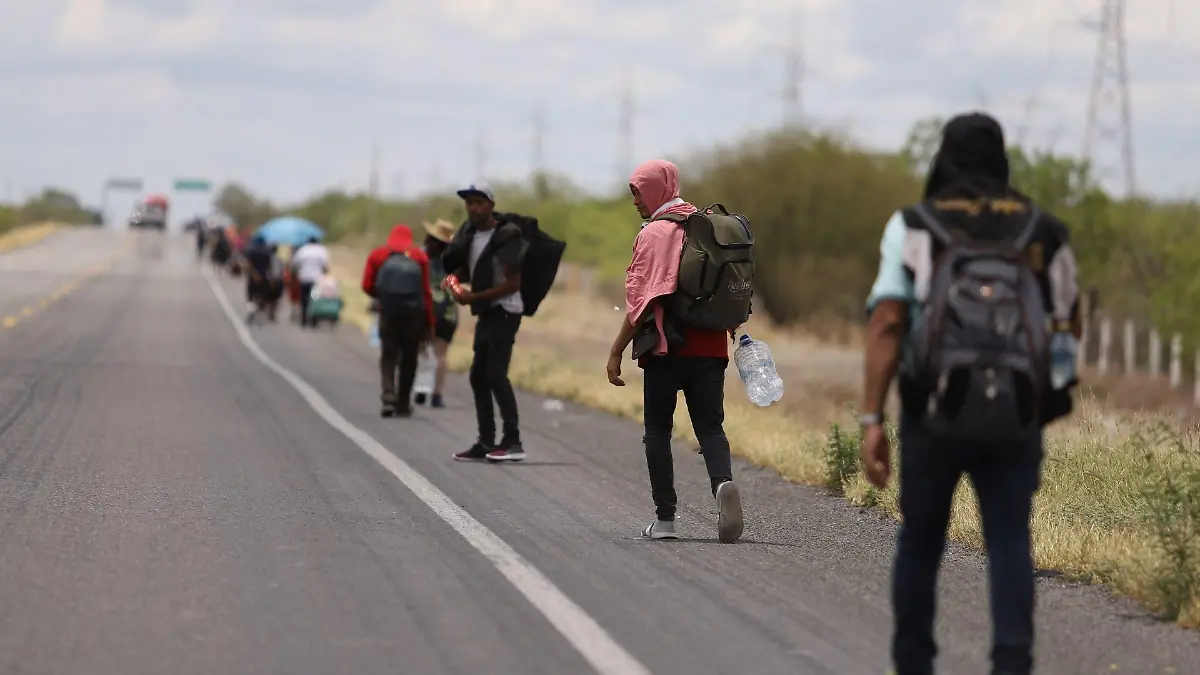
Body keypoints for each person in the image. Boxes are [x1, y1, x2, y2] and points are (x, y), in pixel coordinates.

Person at [859, 112, 1080, 675]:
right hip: (1015, 416)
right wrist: (1046, 402)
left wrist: (871, 418)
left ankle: (914, 664)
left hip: (931, 412)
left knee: (921, 541)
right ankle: (1011, 663)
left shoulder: (915, 224)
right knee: (1009, 541)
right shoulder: (1043, 230)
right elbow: (1067, 324)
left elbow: (888, 321)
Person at [605, 158, 744, 544]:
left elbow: (641, 304)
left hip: (666, 350)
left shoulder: (654, 234)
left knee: (657, 432)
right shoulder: (707, 226)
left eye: (637, 192)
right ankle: (722, 486)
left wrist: (616, 351)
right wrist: (736, 331)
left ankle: (665, 521)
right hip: (711, 348)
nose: (634, 201)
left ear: (655, 188)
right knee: (711, 428)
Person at [442, 181, 527, 462]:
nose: (474, 208)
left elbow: (513, 282)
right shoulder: (469, 235)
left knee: (495, 373)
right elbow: (475, 270)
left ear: (491, 204)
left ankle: (513, 441)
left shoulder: (506, 235)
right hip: (488, 310)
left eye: (479, 202)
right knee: (478, 375)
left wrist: (474, 296)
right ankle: (487, 441)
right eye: (469, 203)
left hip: (506, 309)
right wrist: (455, 282)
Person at [362, 224, 435, 418]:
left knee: (388, 355)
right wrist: (429, 322)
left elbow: (366, 284)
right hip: (414, 317)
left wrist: (382, 297)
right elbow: (426, 292)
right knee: (409, 358)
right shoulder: (419, 257)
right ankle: (403, 404)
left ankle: (388, 396)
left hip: (388, 313)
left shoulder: (378, 255)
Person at [415, 218, 460, 408]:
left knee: (423, 350)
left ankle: (422, 388)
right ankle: (437, 395)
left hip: (425, 309)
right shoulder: (454, 263)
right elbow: (457, 288)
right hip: (448, 312)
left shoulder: (422, 259)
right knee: (441, 354)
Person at [291, 235, 330, 328]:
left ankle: (303, 320)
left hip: (304, 278)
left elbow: (295, 264)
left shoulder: (302, 250)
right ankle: (313, 321)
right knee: (315, 299)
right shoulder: (321, 250)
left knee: (304, 300)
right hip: (316, 279)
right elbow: (325, 266)